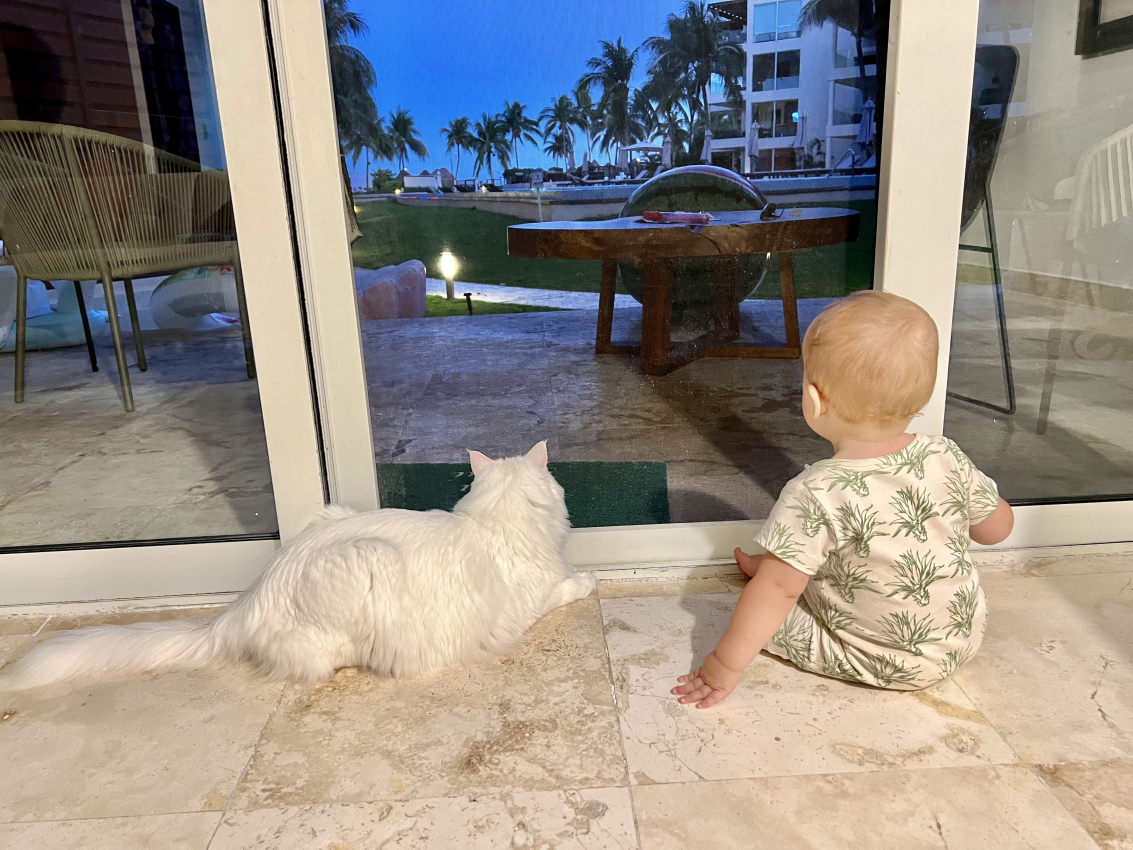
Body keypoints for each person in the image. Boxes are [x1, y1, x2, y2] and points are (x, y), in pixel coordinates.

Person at [673, 291, 1014, 709]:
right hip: (961, 640)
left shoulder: (817, 491)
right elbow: (997, 530)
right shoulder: (946, 455)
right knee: (832, 558)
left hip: (884, 660)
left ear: (814, 401)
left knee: (765, 614)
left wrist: (723, 665)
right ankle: (785, 558)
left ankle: (785, 563)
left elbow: (778, 593)